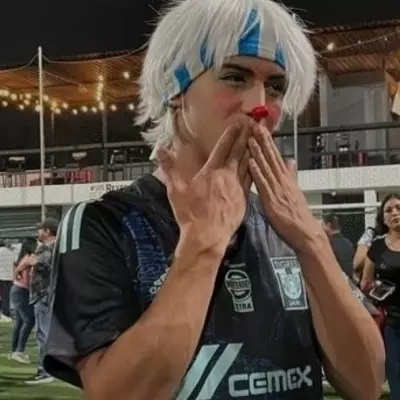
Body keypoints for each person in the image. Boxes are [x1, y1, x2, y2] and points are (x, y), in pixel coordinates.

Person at [44, 1, 384, 399]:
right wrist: (203, 245)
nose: (260, 105)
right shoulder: (106, 222)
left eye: (276, 87)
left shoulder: (286, 224)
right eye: (235, 77)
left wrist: (312, 243)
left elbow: (366, 384)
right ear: (176, 88)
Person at [361, 193, 400, 398]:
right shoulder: (377, 247)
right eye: (389, 210)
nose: (395, 213)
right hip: (391, 324)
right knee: (396, 379)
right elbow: (365, 283)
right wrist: (376, 289)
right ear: (383, 218)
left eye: (399, 208)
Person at [16, 218, 59, 384]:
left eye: (40, 229)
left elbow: (30, 261)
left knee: (43, 333)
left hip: (44, 294)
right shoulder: (57, 246)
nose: (38, 232)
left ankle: (45, 371)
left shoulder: (48, 247)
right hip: (49, 293)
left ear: (47, 231)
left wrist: (19, 269)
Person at [8, 238, 37, 364]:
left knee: (20, 321)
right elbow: (26, 280)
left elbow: (16, 273)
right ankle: (19, 350)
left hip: (17, 290)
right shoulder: (29, 258)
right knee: (29, 320)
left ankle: (15, 351)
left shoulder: (22, 258)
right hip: (21, 291)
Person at [322, 213, 355, 278]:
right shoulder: (349, 243)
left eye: (323, 225)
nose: (321, 228)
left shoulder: (328, 245)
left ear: (328, 225)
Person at [0, 239, 15, 322]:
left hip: (1, 277)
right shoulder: (10, 252)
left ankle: (5, 314)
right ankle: (6, 312)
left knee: (3, 297)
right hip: (9, 277)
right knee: (6, 297)